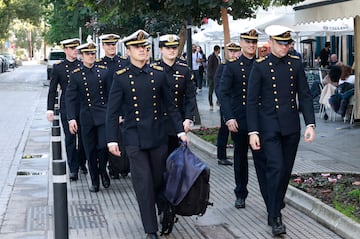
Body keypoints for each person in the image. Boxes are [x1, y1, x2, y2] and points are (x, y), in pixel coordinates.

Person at [105, 30, 189, 239]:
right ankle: (150, 230)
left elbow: (170, 106)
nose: (142, 50)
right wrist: (111, 139)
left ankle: (165, 209)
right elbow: (112, 112)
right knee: (143, 184)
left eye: (145, 47)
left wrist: (180, 131)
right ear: (129, 51)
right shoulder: (121, 77)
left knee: (158, 180)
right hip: (134, 138)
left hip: (158, 136)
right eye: (137, 47)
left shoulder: (158, 74)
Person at [247, 25, 315, 236]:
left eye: (287, 43)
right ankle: (276, 215)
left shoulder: (295, 64)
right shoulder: (260, 66)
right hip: (268, 127)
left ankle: (274, 205)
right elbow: (251, 101)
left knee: (285, 171)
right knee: (275, 168)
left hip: (290, 126)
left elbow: (304, 94)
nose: (284, 47)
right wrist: (253, 132)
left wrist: (310, 123)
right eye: (280, 43)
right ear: (271, 42)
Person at [219, 29, 263, 209]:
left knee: (264, 160)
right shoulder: (232, 66)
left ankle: (269, 195)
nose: (251, 45)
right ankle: (240, 192)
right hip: (240, 119)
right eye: (248, 41)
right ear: (242, 43)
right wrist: (229, 117)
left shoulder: (263, 64)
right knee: (240, 158)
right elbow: (223, 92)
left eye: (254, 42)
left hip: (261, 120)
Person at [66, 40, 110, 192]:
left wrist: (116, 114)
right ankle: (94, 180)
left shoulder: (103, 71)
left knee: (104, 146)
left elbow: (112, 94)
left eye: (93, 53)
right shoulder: (76, 75)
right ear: (81, 56)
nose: (91, 56)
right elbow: (70, 98)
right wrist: (71, 118)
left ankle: (103, 169)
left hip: (103, 114)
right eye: (87, 54)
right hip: (86, 117)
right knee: (90, 150)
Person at [46, 38, 87, 181]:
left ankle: (82, 162)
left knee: (84, 139)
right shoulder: (59, 67)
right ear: (65, 50)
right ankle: (73, 169)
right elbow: (52, 90)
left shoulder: (83, 65)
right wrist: (50, 109)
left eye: (76, 48)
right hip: (67, 108)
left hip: (83, 107)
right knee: (70, 139)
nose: (75, 50)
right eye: (72, 48)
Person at [153, 34, 196, 155]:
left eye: (174, 48)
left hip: (177, 120)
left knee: (175, 159)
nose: (172, 51)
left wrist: (188, 119)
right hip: (158, 121)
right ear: (161, 49)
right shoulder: (153, 69)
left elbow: (190, 97)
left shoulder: (184, 70)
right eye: (168, 48)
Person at [97, 33, 129, 179]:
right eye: (108, 45)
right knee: (110, 139)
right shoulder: (98, 65)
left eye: (113, 44)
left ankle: (124, 167)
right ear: (103, 46)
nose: (111, 47)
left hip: (123, 107)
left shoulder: (124, 62)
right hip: (106, 108)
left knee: (125, 139)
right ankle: (113, 168)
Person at [214, 42, 241, 166]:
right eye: (231, 51)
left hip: (238, 103)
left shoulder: (240, 65)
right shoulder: (223, 66)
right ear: (227, 53)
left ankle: (239, 155)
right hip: (227, 104)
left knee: (239, 131)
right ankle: (221, 156)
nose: (234, 54)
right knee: (224, 130)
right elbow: (218, 87)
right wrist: (223, 103)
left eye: (236, 51)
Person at [207, 45, 221, 111]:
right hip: (212, 77)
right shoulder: (211, 57)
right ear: (217, 50)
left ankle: (218, 102)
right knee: (211, 91)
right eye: (219, 50)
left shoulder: (219, 57)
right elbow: (209, 68)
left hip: (218, 76)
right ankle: (211, 104)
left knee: (218, 90)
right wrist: (212, 76)